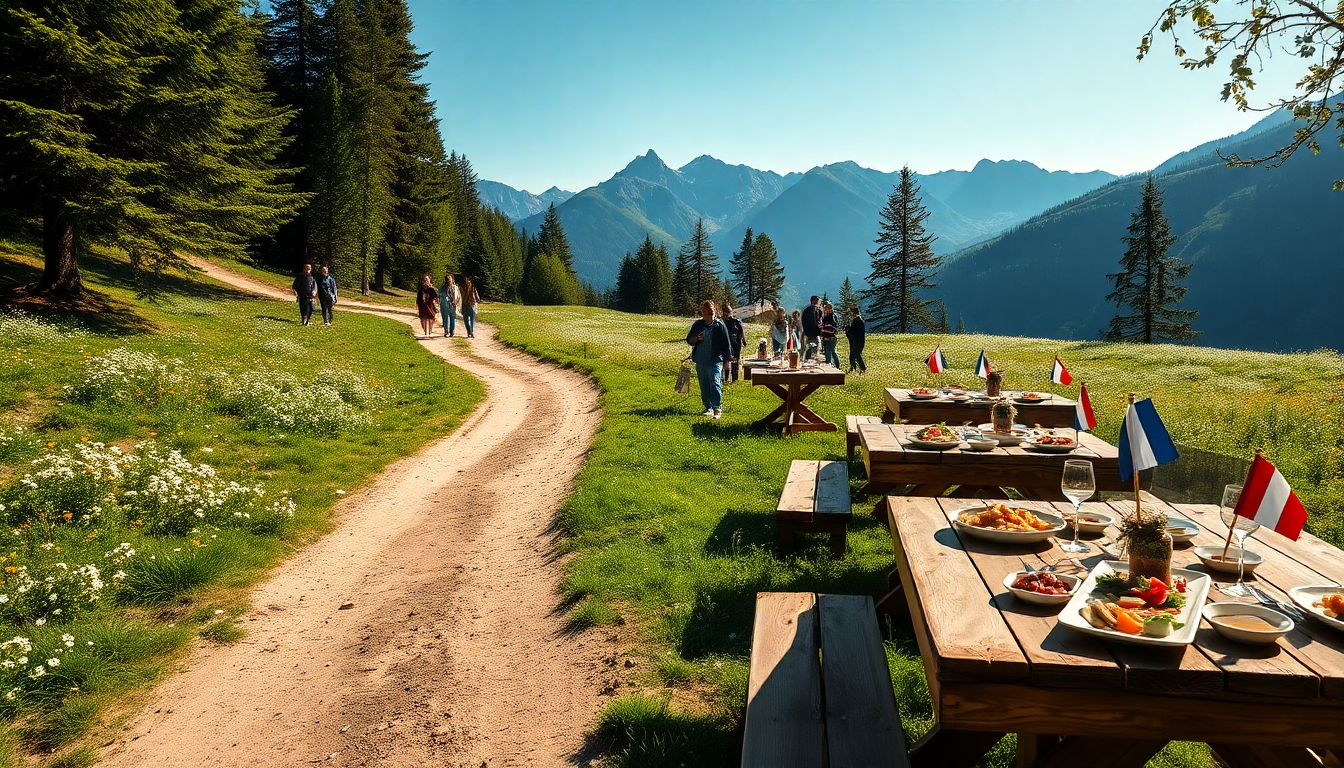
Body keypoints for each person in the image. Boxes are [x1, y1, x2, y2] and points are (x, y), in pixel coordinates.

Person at [685, 300, 731, 419]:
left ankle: (717, 408)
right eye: (704, 312)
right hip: (700, 360)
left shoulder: (719, 325)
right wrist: (696, 339)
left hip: (714, 360)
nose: (706, 314)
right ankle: (708, 407)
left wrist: (727, 361)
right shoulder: (698, 325)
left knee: (715, 383)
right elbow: (689, 340)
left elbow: (726, 344)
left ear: (713, 311)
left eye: (709, 312)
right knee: (704, 385)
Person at [721, 303, 745, 383]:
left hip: (734, 344)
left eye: (729, 312)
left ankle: (734, 378)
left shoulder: (735, 322)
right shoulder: (720, 322)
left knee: (735, 361)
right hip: (724, 344)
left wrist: (742, 341)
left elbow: (740, 333)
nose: (728, 314)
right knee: (724, 361)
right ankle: (724, 378)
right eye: (726, 312)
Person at [845, 304, 867, 373]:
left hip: (856, 341)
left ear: (853, 312)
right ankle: (854, 367)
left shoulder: (856, 321)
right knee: (854, 354)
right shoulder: (859, 320)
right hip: (859, 340)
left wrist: (847, 329)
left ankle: (862, 367)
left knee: (856, 354)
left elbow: (852, 332)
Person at [819, 301, 841, 367]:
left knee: (832, 351)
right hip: (826, 338)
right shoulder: (826, 316)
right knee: (827, 352)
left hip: (831, 338)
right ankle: (828, 365)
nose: (825, 309)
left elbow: (833, 329)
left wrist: (824, 330)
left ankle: (837, 366)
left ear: (830, 308)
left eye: (826, 308)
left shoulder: (833, 316)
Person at [439, 271, 461, 337]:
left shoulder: (455, 287)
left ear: (452, 279)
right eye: (447, 279)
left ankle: (452, 331)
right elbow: (440, 296)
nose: (449, 281)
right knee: (445, 318)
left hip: (453, 305)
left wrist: (457, 303)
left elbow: (458, 296)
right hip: (445, 305)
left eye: (450, 279)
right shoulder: (442, 288)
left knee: (452, 318)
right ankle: (446, 331)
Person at [801, 295, 821, 360]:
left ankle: (806, 359)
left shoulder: (806, 309)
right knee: (816, 351)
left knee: (807, 349)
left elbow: (803, 321)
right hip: (815, 333)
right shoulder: (817, 310)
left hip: (806, 332)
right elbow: (818, 322)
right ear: (816, 301)